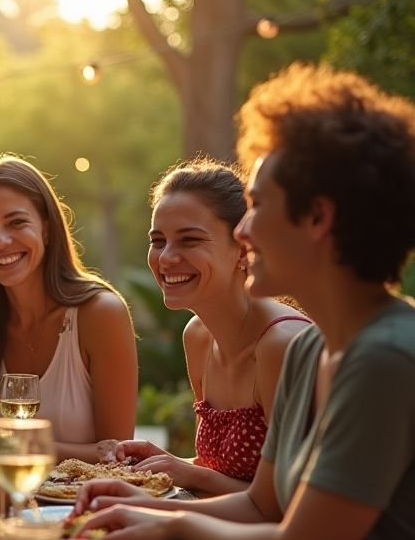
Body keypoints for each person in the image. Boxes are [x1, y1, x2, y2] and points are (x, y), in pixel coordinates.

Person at [75, 64, 415, 540]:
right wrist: (143, 505)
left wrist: (175, 523)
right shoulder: (319, 350)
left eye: (257, 206)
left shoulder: (385, 358)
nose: (246, 230)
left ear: (318, 218)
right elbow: (263, 505)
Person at [109, 160, 309, 495]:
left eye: (189, 240)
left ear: (243, 248)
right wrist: (163, 462)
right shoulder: (198, 336)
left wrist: (182, 479)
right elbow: (217, 470)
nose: (166, 257)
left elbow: (283, 501)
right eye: (158, 240)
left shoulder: (282, 345)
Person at [0, 155, 137, 461]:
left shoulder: (101, 314)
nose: (1, 241)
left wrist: (11, 444)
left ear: (46, 227)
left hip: (87, 493)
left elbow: (120, 455)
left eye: (16, 222)